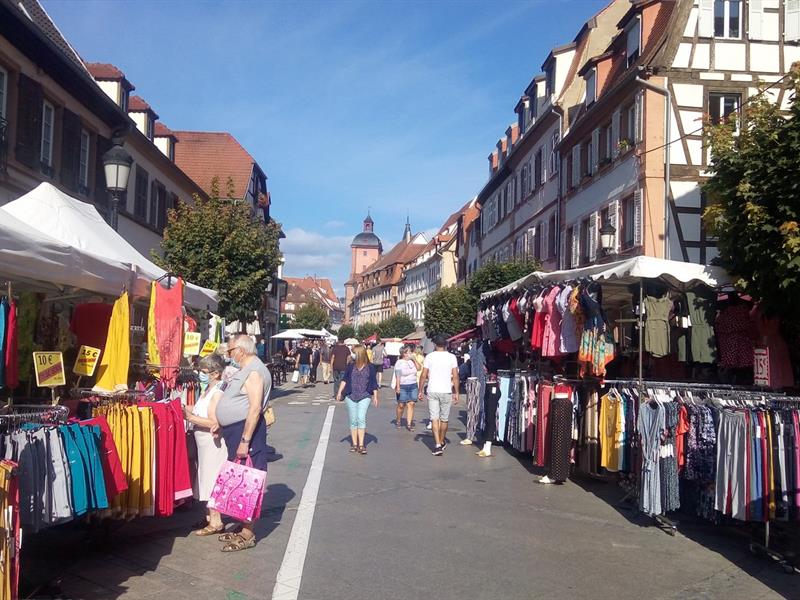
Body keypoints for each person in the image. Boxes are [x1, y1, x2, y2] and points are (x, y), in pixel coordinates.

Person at [211, 334, 272, 552]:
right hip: (235, 429)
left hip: (246, 432)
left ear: (241, 350)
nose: (229, 355)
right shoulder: (247, 369)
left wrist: (245, 439)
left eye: (230, 351)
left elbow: (254, 408)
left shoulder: (254, 370)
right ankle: (242, 524)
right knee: (239, 478)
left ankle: (248, 532)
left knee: (249, 478)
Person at [183, 353, 228, 536]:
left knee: (211, 480)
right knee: (204, 478)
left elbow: (214, 421)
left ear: (215, 373)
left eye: (204, 371)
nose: (200, 374)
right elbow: (199, 409)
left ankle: (216, 521)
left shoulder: (217, 392)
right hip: (202, 442)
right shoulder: (207, 389)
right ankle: (209, 517)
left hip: (212, 443)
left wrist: (191, 417)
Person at [418, 335, 459, 456]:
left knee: (434, 418)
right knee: (444, 419)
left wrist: (420, 390)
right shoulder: (452, 357)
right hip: (446, 390)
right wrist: (456, 392)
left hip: (432, 390)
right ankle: (441, 441)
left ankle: (437, 444)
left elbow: (424, 374)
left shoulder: (430, 357)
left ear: (435, 344)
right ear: (446, 344)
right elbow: (455, 376)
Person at [336, 345, 379, 454]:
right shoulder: (351, 366)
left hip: (364, 396)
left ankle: (361, 445)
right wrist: (339, 392)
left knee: (360, 418)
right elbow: (344, 379)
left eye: (354, 352)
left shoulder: (370, 367)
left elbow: (374, 383)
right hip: (350, 396)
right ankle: (354, 444)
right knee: (353, 420)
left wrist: (375, 396)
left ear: (359, 354)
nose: (352, 355)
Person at [393, 346, 420, 431]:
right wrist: (397, 387)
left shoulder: (412, 361)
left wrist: (414, 359)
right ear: (403, 353)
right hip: (402, 385)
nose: (409, 354)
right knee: (401, 405)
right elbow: (398, 375)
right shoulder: (399, 362)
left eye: (410, 352)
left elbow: (419, 368)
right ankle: (398, 420)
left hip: (413, 384)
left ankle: (409, 424)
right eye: (407, 352)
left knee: (411, 404)